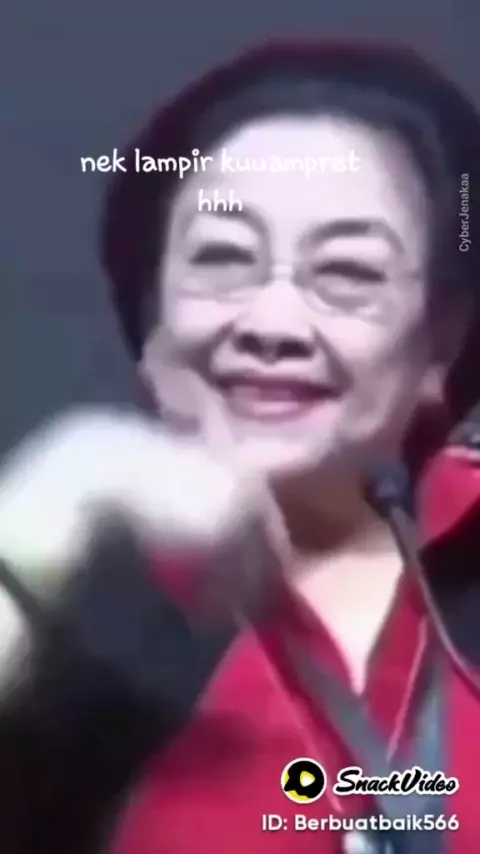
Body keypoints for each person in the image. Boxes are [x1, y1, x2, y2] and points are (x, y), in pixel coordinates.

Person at [1, 39, 480, 854]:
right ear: (151, 324)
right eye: (223, 259)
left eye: (348, 273)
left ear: (441, 344)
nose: (272, 323)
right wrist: (35, 532)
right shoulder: (61, 592)